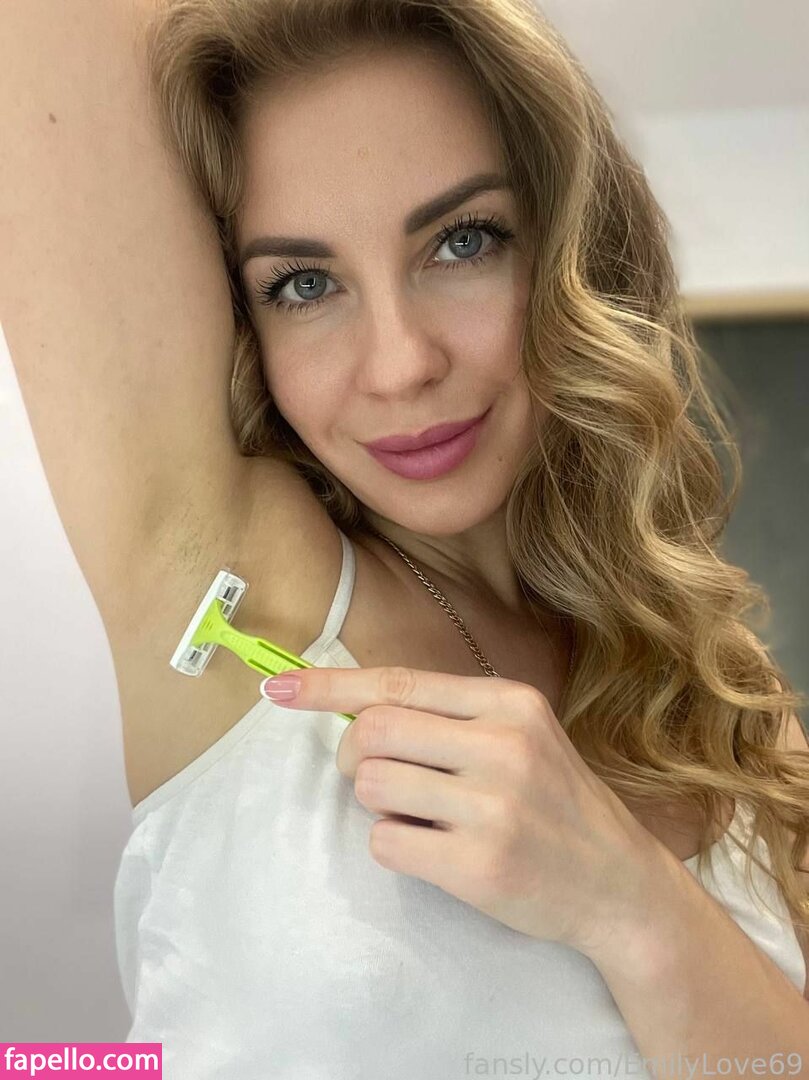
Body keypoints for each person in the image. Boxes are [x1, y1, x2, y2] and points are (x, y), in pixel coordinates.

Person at [3, 0, 807, 1074]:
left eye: (460, 241)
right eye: (303, 285)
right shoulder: (232, 579)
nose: (399, 365)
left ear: (571, 251)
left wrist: (629, 903)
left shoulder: (727, 709)